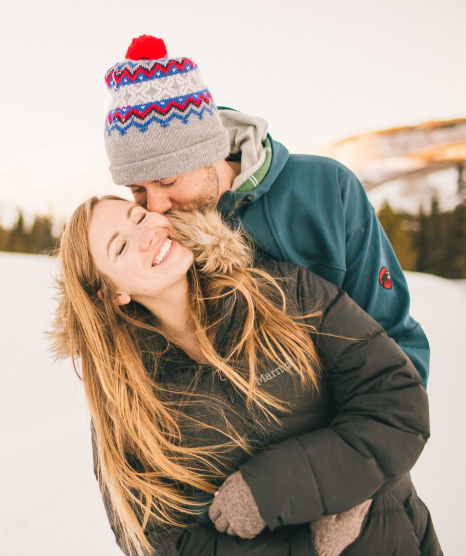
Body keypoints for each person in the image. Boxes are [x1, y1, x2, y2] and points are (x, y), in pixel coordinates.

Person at [51, 195, 440, 556]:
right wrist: (304, 550)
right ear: (112, 293)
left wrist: (276, 487)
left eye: (139, 216)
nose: (147, 234)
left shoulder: (284, 293)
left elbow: (398, 407)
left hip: (394, 540)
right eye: (119, 247)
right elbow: (156, 541)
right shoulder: (125, 397)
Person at [101, 35, 430, 385]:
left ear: (211, 152)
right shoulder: (160, 247)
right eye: (137, 190)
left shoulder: (326, 188)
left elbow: (397, 346)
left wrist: (371, 432)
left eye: (168, 182)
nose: (156, 208)